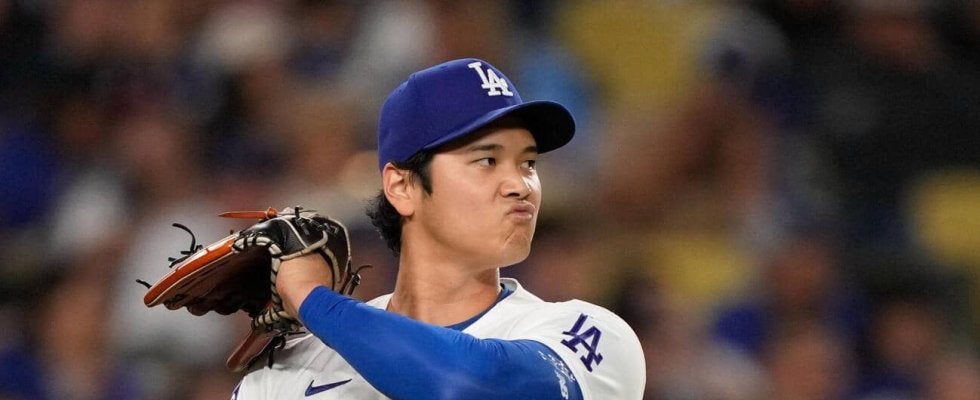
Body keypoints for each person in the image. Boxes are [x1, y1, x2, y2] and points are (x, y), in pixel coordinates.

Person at [230, 58, 646, 399]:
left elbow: (471, 387)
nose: (520, 185)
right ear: (402, 186)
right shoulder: (293, 369)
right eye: (487, 160)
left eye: (528, 163)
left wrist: (310, 297)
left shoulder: (588, 333)